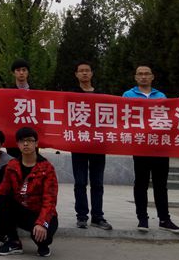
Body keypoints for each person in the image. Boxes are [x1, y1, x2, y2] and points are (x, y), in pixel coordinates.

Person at [0, 127, 58, 257]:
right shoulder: (12, 165)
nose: (25, 144)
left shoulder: (47, 168)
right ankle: (14, 242)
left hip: (41, 213)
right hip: (22, 211)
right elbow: (1, 192)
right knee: (2, 199)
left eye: (29, 140)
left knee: (42, 239)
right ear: (17, 144)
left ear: (36, 143)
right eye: (22, 141)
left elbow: (50, 200)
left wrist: (42, 223)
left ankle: (43, 244)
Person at [123, 65, 179, 234]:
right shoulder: (127, 95)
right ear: (135, 77)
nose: (143, 76)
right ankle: (142, 218)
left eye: (146, 74)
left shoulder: (161, 96)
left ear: (152, 77)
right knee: (141, 183)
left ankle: (164, 219)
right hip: (140, 146)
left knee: (161, 185)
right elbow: (124, 118)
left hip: (160, 147)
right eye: (140, 74)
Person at [69, 61, 112, 230]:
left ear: (92, 73)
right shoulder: (71, 95)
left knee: (97, 183)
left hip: (98, 144)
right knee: (80, 182)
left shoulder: (102, 95)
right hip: (79, 144)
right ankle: (81, 216)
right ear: (76, 74)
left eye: (87, 70)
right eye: (81, 71)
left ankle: (97, 216)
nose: (84, 73)